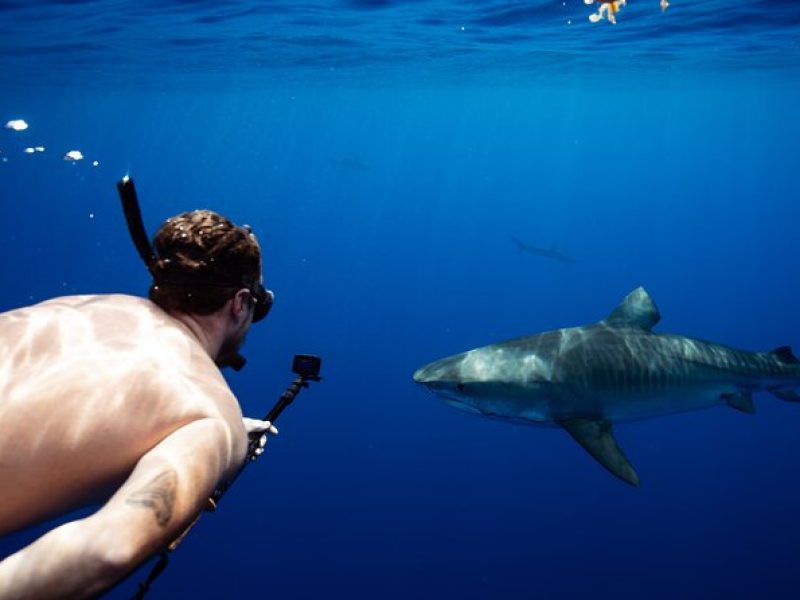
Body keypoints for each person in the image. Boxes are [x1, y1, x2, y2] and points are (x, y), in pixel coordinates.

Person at [0, 208, 277, 598]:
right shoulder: (211, 414)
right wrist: (213, 444)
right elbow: (107, 549)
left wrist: (189, 441)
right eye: (258, 309)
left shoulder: (76, 307)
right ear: (240, 303)